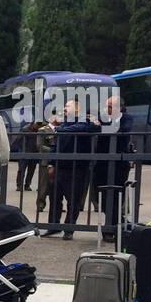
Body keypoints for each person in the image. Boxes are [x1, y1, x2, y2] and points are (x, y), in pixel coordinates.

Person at [41, 99, 101, 240]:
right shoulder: (66, 123)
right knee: (55, 197)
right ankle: (53, 226)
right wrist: (51, 163)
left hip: (77, 167)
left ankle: (69, 228)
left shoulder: (86, 120)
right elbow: (57, 145)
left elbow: (86, 128)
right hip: (60, 166)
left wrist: (60, 129)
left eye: (67, 106)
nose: (65, 108)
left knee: (73, 199)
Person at [94, 97, 133, 243]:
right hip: (102, 162)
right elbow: (93, 128)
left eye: (111, 107)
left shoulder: (127, 118)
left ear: (120, 107)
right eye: (107, 106)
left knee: (117, 195)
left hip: (119, 163)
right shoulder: (101, 117)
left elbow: (124, 130)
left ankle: (110, 228)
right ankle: (120, 223)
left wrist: (104, 124)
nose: (107, 110)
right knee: (103, 196)